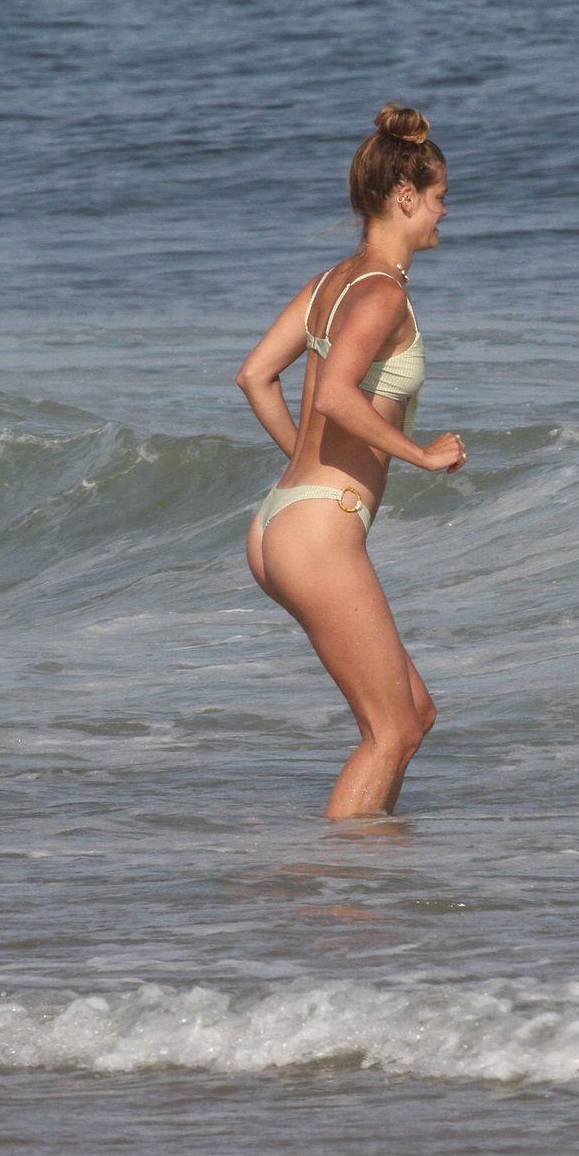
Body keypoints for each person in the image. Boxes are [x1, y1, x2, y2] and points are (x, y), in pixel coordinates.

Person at [237, 103, 467, 819]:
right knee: (390, 731)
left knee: (414, 716)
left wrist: (305, 470)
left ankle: (371, 889)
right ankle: (340, 897)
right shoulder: (382, 294)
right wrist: (420, 457)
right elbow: (336, 395)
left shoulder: (332, 283)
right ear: (405, 198)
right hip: (318, 531)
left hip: (283, 520)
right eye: (438, 201)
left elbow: (254, 376)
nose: (443, 217)